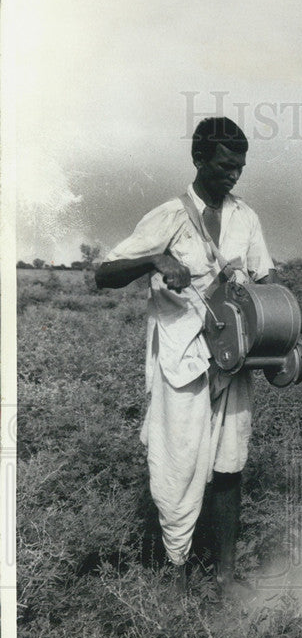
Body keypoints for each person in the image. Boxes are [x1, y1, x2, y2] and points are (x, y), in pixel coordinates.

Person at [95, 116, 275, 596]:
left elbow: (265, 283)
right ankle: (174, 579)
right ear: (198, 160)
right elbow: (104, 272)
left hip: (233, 360)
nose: (233, 175)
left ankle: (225, 578)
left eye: (240, 167)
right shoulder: (169, 216)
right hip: (183, 363)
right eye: (224, 166)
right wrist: (154, 259)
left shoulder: (247, 219)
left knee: (229, 465)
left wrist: (298, 334)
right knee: (178, 468)